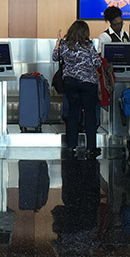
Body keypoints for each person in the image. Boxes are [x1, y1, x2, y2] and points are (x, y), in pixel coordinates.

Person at [53, 20, 102, 159]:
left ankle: (71, 147)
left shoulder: (64, 45)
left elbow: (55, 57)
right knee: (90, 114)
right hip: (88, 84)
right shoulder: (89, 46)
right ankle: (91, 148)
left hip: (70, 83)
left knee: (73, 113)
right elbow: (97, 63)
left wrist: (58, 42)